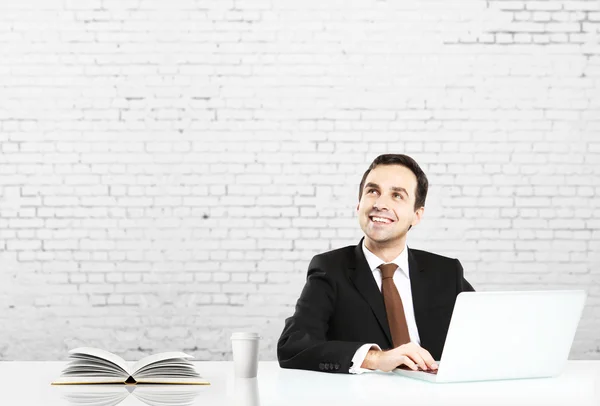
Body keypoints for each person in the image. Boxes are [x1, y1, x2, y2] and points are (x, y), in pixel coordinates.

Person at [277, 154, 474, 374]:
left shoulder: (446, 272)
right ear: (359, 204)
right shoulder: (329, 269)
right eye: (373, 191)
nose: (380, 204)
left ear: (416, 215)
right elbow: (292, 346)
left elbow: (493, 334)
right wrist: (376, 358)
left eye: (397, 195)